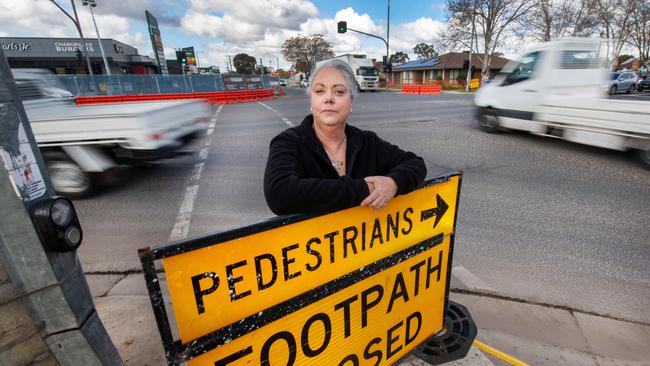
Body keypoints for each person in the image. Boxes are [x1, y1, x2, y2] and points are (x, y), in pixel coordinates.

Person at [264, 59, 426, 215]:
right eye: (319, 91)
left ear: (351, 101)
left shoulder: (367, 141)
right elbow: (279, 194)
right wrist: (365, 189)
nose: (328, 98)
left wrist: (394, 183)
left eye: (339, 92)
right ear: (311, 100)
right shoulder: (288, 142)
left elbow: (415, 164)